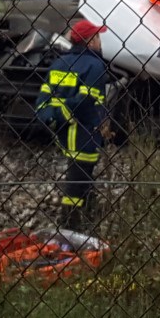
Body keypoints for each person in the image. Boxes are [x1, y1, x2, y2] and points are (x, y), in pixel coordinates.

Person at [35, 19, 111, 228]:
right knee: (77, 181)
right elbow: (87, 102)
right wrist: (68, 113)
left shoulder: (59, 63)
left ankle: (84, 217)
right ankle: (70, 226)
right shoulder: (95, 65)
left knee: (79, 175)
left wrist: (54, 116)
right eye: (97, 37)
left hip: (63, 133)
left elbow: (43, 99)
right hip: (84, 133)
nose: (100, 42)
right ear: (89, 41)